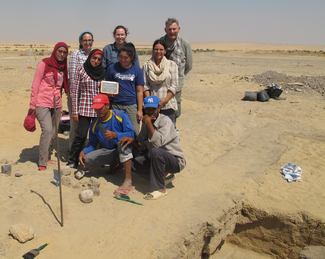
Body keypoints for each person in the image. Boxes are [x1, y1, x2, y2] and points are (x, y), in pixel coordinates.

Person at [120, 96, 186, 200]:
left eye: (153, 109)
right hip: (155, 159)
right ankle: (161, 177)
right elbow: (141, 146)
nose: (150, 112)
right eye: (147, 109)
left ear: (159, 109)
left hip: (174, 161)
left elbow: (158, 144)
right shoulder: (146, 123)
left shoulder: (165, 121)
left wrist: (149, 123)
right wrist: (132, 141)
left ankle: (160, 189)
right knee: (131, 163)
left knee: (156, 151)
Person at [79, 94, 135, 196]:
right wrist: (83, 152)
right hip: (110, 151)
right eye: (95, 109)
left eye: (100, 108)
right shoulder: (96, 124)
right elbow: (92, 143)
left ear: (107, 105)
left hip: (125, 149)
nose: (98, 111)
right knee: (87, 159)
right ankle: (114, 165)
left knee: (122, 142)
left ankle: (128, 180)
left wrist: (115, 135)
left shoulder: (120, 115)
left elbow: (132, 134)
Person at [28, 42, 69, 171]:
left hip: (56, 104)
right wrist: (32, 104)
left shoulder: (63, 68)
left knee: (54, 131)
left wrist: (61, 107)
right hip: (42, 102)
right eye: (60, 51)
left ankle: (48, 154)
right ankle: (42, 161)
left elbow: (60, 89)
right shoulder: (44, 64)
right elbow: (35, 84)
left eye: (64, 52)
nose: (62, 54)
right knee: (47, 130)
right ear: (55, 51)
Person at [67, 49, 106, 168]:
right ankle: (72, 161)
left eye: (99, 59)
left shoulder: (103, 72)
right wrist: (75, 111)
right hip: (84, 109)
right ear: (90, 58)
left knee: (99, 136)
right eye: (94, 58)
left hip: (99, 110)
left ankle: (97, 161)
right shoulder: (81, 70)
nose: (96, 61)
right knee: (81, 135)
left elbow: (105, 91)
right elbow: (75, 92)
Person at [105, 42, 144, 135]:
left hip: (131, 106)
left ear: (132, 57)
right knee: (115, 130)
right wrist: (108, 93)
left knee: (134, 131)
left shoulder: (137, 70)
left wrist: (140, 110)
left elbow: (139, 91)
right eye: (120, 57)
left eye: (126, 57)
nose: (122, 60)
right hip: (115, 105)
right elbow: (106, 86)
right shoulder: (112, 68)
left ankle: (134, 149)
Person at [160, 18, 193, 125]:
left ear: (179, 29)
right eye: (169, 29)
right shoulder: (160, 42)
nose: (172, 32)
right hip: (160, 84)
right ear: (165, 30)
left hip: (177, 86)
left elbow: (188, 65)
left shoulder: (184, 44)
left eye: (174, 29)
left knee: (174, 112)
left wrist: (177, 77)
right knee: (160, 110)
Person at [68, 30, 94, 152]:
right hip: (78, 97)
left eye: (89, 40)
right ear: (80, 41)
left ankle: (85, 150)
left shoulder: (94, 55)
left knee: (89, 126)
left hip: (91, 97)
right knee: (76, 125)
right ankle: (73, 151)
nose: (87, 42)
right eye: (85, 40)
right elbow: (73, 79)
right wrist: (74, 100)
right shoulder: (76, 55)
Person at [142, 39, 178, 122]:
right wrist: (151, 103)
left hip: (167, 105)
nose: (158, 52)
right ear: (153, 50)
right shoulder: (147, 65)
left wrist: (165, 100)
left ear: (165, 51)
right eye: (156, 49)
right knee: (151, 132)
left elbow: (174, 86)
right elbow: (145, 86)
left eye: (161, 49)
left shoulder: (172, 65)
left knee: (167, 131)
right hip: (151, 108)